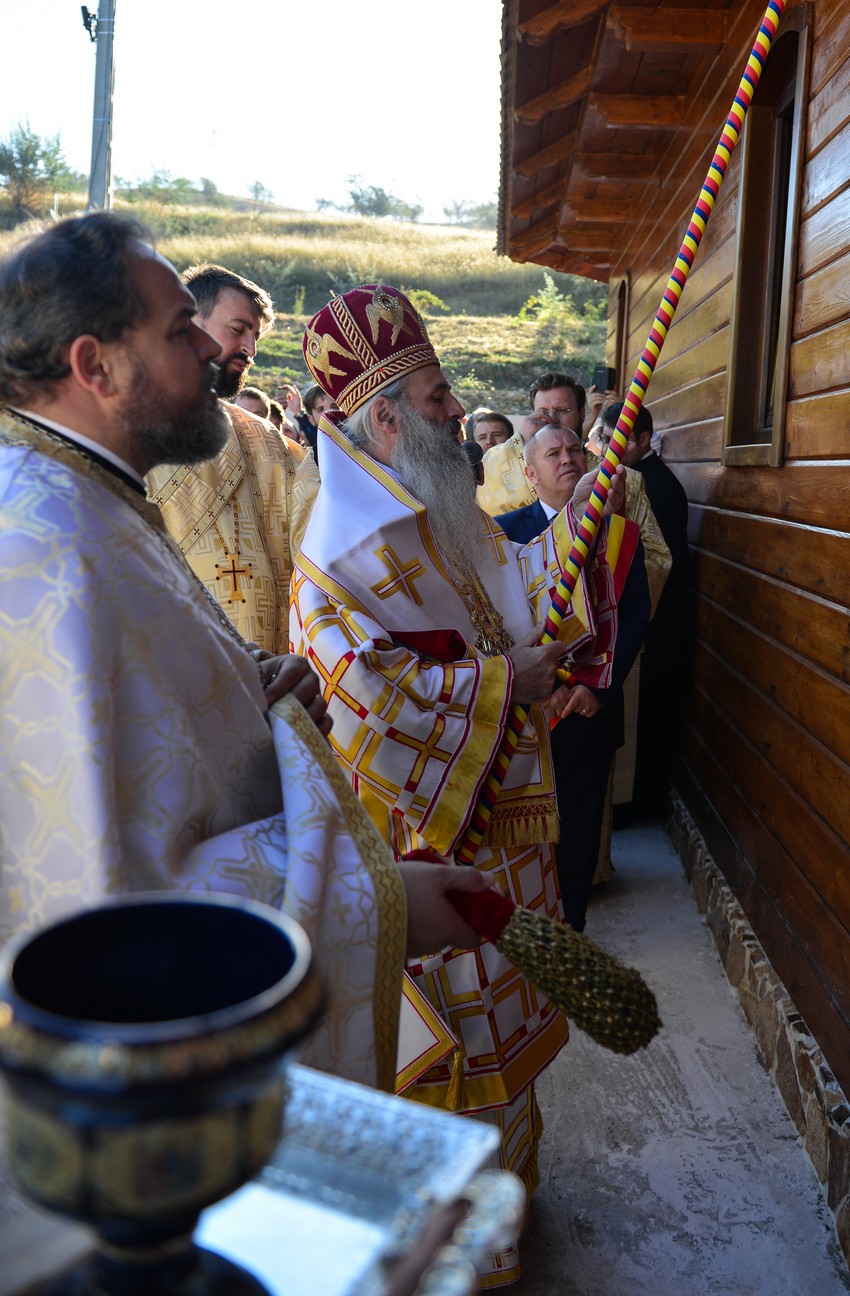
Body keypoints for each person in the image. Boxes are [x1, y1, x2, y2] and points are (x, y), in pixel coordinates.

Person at [0, 211, 493, 1096]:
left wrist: (247, 687)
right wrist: (376, 905)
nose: (210, 351)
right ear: (93, 366)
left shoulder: (84, 502)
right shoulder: (52, 554)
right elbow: (103, 897)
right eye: (177, 329)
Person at [290, 284, 627, 1287]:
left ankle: (507, 1206)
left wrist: (580, 514)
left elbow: (516, 578)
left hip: (504, 836)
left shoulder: (440, 505)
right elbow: (361, 702)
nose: (456, 408)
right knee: (446, 1056)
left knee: (506, 1042)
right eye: (438, 394)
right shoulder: (336, 553)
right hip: (432, 852)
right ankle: (450, 1253)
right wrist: (496, 682)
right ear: (386, 416)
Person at [496, 427, 649, 931]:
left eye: (575, 450)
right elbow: (496, 619)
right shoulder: (502, 534)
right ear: (530, 474)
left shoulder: (618, 534)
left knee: (578, 834)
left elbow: (632, 616)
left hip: (587, 713)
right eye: (553, 453)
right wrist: (545, 683)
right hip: (527, 712)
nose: (567, 458)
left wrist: (595, 685)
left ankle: (572, 936)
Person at [145, 263, 301, 654]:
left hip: (264, 666)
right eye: (238, 330)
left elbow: (314, 522)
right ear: (186, 321)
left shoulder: (264, 438)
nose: (249, 349)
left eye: (255, 336)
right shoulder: (122, 423)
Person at [479, 370, 673, 614]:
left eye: (562, 411)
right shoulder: (501, 466)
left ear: (583, 413)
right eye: (542, 413)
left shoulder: (626, 479)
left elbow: (656, 560)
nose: (551, 420)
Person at [600, 398, 691, 819]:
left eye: (616, 439)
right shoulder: (635, 476)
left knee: (647, 724)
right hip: (640, 625)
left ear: (642, 439)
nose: (607, 449)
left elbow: (657, 563)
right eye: (604, 439)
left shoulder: (654, 485)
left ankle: (639, 807)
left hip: (652, 627)